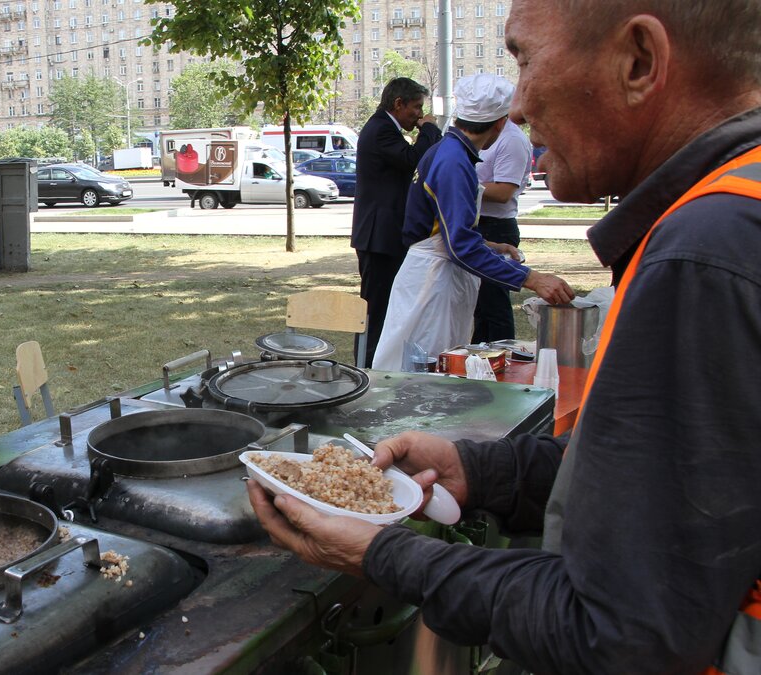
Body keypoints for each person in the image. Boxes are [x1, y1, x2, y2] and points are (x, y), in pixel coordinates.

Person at [248, 1, 761, 672]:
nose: (516, 107)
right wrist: (488, 470)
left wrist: (384, 553)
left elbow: (615, 632)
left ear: (638, 62)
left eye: (524, 59)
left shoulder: (702, 254)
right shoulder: (730, 212)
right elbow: (673, 486)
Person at [371, 74, 573, 372]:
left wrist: (491, 245)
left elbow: (442, 227)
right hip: (433, 284)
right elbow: (460, 247)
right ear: (500, 123)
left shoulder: (446, 152)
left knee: (423, 370)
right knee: (425, 375)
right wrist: (532, 278)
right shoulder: (454, 161)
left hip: (431, 274)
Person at [350, 77, 443, 367]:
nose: (419, 114)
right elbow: (413, 159)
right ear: (398, 104)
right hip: (379, 236)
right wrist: (429, 128)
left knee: (384, 306)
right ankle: (366, 367)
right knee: (375, 309)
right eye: (416, 107)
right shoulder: (380, 130)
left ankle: (376, 363)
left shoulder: (385, 129)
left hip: (385, 234)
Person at [471, 110, 533, 343]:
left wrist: (463, 183)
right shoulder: (487, 135)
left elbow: (503, 192)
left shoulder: (512, 139)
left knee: (494, 304)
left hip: (497, 225)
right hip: (480, 222)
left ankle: (503, 361)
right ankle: (479, 360)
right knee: (481, 307)